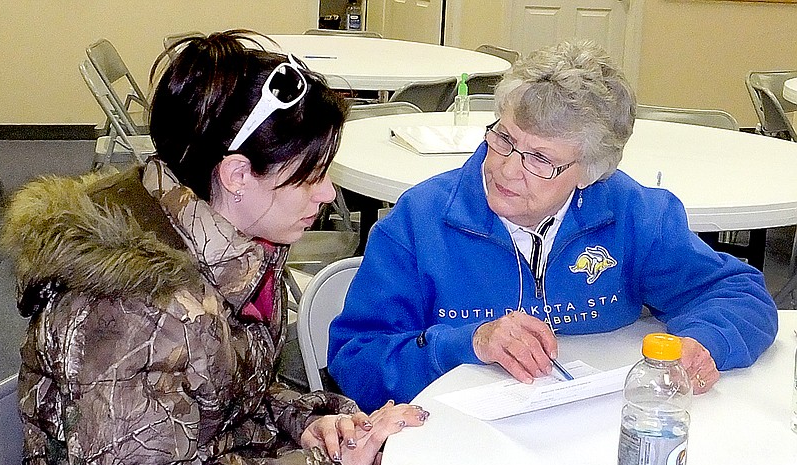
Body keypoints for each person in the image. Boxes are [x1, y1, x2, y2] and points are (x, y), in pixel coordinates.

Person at [0, 31, 427, 465]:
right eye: (308, 177)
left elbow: (225, 394)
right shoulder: (130, 316)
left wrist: (310, 424)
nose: (329, 194)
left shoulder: (228, 242)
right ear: (235, 174)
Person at [327, 40, 778, 413]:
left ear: (589, 172)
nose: (505, 169)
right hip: (452, 445)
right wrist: (467, 342)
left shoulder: (630, 213)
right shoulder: (420, 220)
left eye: (540, 159)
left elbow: (739, 293)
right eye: (503, 138)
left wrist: (705, 341)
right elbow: (356, 361)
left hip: (588, 435)